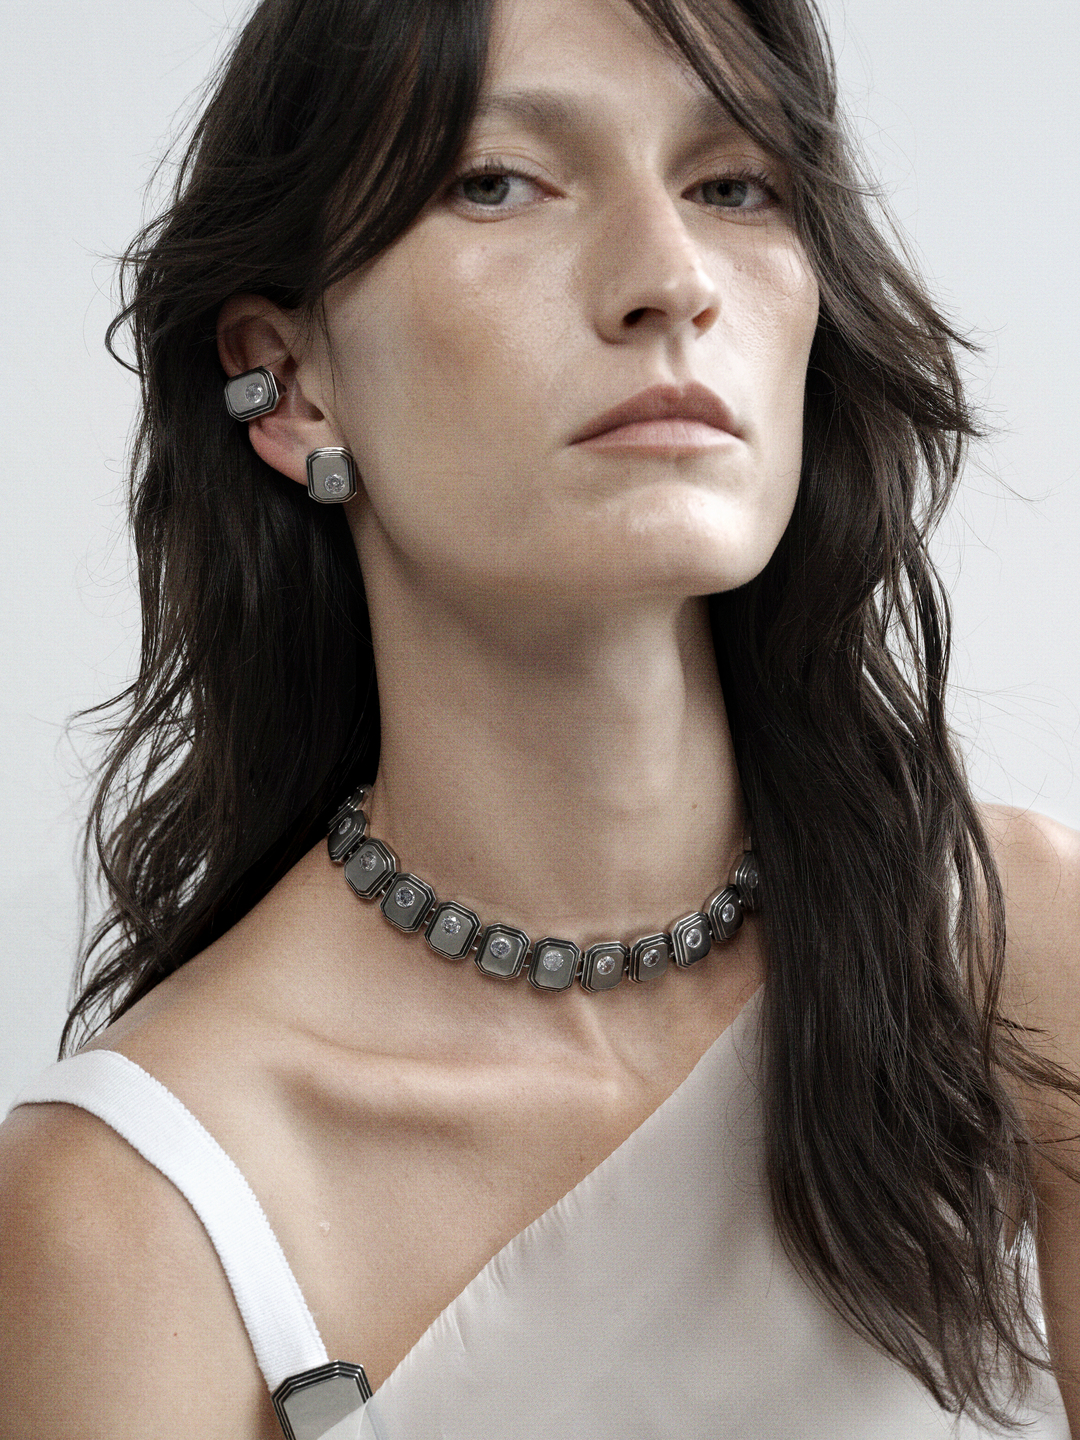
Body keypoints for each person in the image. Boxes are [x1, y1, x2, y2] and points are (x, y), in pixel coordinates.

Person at [0, 0, 1077, 1435]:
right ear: (293, 383)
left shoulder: (1018, 955)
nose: (669, 279)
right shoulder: (139, 1208)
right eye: (497, 182)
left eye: (733, 185)